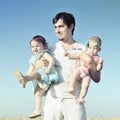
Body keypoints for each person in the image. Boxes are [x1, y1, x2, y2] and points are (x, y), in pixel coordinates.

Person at [43, 12, 101, 120]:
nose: (57, 30)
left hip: (74, 101)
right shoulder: (50, 50)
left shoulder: (85, 49)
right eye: (55, 27)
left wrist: (90, 62)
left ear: (71, 26)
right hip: (52, 100)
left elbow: (97, 79)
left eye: (61, 26)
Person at [14, 35, 59, 118]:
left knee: (35, 73)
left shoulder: (44, 54)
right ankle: (37, 110)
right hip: (39, 79)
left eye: (37, 46)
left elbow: (52, 60)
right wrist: (25, 82)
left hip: (46, 76)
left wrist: (49, 68)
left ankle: (25, 79)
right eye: (32, 46)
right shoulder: (32, 59)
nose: (35, 48)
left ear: (44, 46)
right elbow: (30, 70)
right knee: (37, 93)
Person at [65, 36, 103, 103]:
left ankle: (81, 97)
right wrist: (69, 55)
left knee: (86, 85)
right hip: (80, 69)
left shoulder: (97, 58)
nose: (91, 50)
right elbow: (76, 56)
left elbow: (97, 69)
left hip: (87, 74)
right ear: (88, 47)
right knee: (74, 75)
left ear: (99, 50)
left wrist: (100, 64)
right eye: (90, 48)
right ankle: (71, 86)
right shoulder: (85, 52)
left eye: (94, 49)